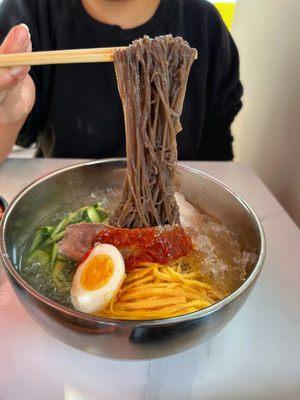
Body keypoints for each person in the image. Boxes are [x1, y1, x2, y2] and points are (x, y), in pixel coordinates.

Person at [0, 0, 243, 163]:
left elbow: (217, 161)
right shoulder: (28, 15)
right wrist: (7, 116)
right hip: (60, 200)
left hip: (178, 210)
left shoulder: (205, 26)